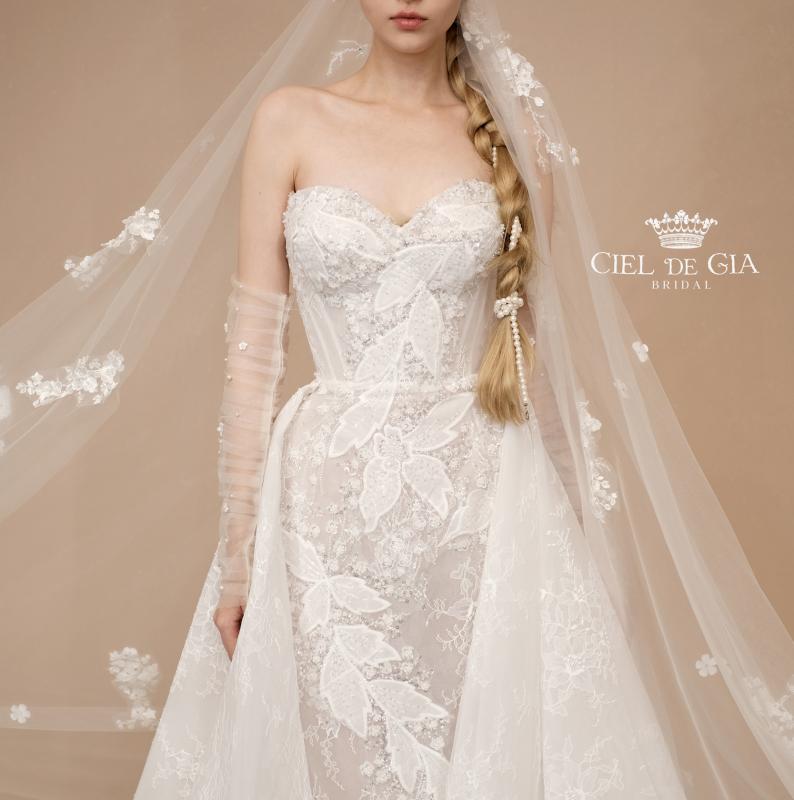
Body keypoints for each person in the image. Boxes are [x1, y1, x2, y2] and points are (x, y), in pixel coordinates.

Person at [2, 2, 792, 798]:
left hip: (483, 499)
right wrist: (238, 555)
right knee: (337, 751)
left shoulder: (516, 137)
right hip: (324, 502)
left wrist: (575, 528)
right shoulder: (291, 120)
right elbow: (254, 352)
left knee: (483, 742)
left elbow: (528, 347)